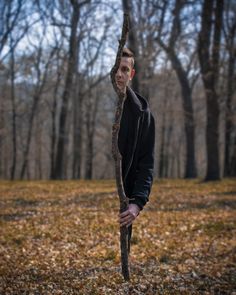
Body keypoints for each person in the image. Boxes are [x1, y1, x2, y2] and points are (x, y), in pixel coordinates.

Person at [115, 48, 155, 250]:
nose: (119, 74)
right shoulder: (83, 98)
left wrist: (137, 203)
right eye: (116, 68)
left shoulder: (143, 114)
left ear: (131, 74)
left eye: (124, 69)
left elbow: (146, 164)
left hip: (123, 205)